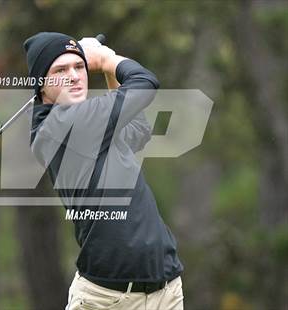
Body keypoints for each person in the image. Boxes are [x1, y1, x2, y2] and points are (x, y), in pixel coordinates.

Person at [24, 32, 184, 310]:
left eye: (78, 67)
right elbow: (145, 82)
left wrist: (108, 72)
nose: (74, 76)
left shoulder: (84, 119)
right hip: (108, 301)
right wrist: (106, 59)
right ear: (41, 85)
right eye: (60, 70)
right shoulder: (64, 126)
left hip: (165, 292)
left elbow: (137, 131)